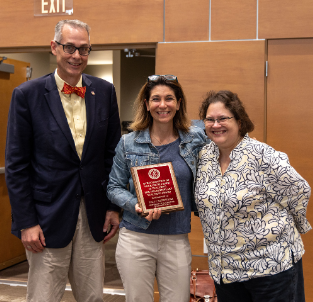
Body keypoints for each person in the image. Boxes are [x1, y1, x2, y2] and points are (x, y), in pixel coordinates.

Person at [5, 19, 121, 302]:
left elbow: (113, 155)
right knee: (44, 296)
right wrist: (26, 222)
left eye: (84, 49)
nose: (76, 56)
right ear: (54, 48)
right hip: (45, 218)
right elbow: (17, 166)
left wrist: (112, 206)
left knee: (92, 296)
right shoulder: (27, 95)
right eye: (70, 47)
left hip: (92, 214)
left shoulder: (104, 92)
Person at [195, 90, 311, 302]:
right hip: (226, 273)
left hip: (270, 269)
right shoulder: (204, 157)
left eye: (223, 118)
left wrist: (288, 226)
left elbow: (299, 190)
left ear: (239, 121)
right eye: (210, 119)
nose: (215, 124)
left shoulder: (262, 155)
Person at [107, 75, 208, 302]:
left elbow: (229, 134)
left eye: (169, 99)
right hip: (136, 238)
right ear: (146, 104)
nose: (163, 105)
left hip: (176, 238)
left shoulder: (196, 139)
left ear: (179, 103)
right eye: (156, 99)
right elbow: (113, 187)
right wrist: (135, 205)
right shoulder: (128, 143)